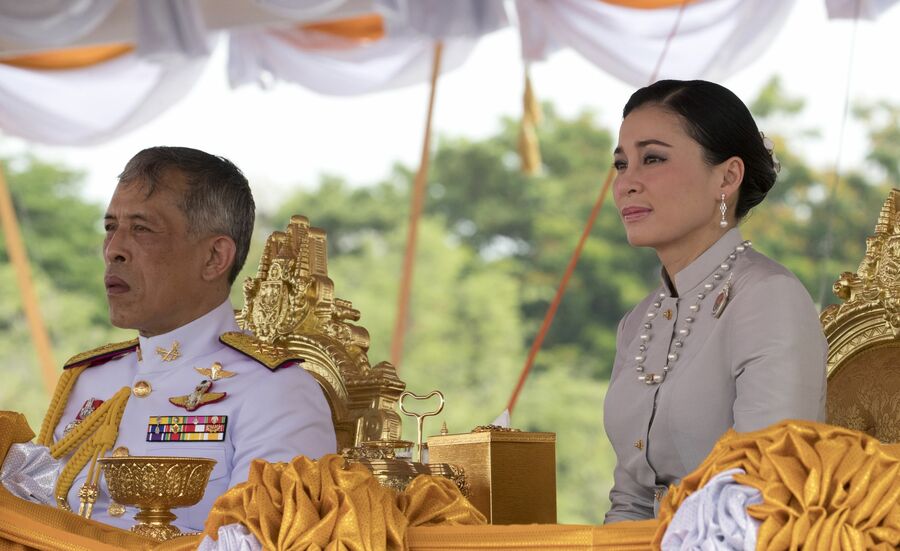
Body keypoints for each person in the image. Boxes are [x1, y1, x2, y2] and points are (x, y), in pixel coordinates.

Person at [36, 147, 336, 531]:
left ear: (214, 257)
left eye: (142, 229)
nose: (113, 250)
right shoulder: (87, 380)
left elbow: (261, 540)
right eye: (111, 227)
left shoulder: (275, 391)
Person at [603, 80, 827, 523]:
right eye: (621, 164)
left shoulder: (768, 298)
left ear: (727, 178)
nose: (626, 183)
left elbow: (765, 492)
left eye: (653, 159)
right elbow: (629, 502)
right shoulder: (638, 323)